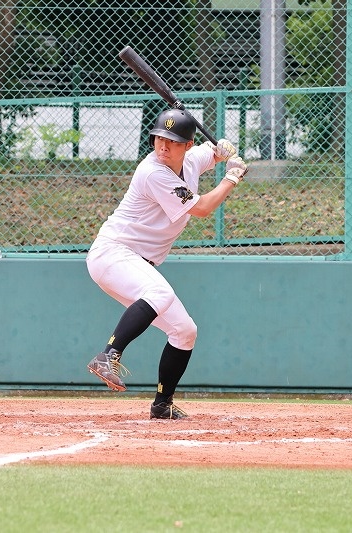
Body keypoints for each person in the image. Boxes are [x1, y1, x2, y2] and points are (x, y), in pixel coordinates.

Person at [85, 108, 247, 419]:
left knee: (185, 331)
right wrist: (232, 177)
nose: (163, 146)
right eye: (159, 138)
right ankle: (108, 355)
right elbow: (201, 208)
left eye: (172, 141)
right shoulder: (153, 172)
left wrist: (221, 151)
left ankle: (162, 405)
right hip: (114, 253)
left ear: (187, 146)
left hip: (136, 262)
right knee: (159, 294)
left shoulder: (190, 159)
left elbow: (210, 153)